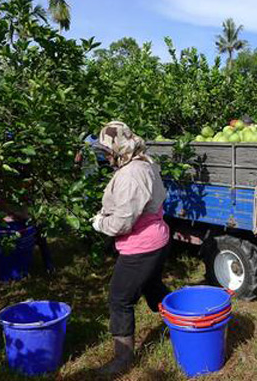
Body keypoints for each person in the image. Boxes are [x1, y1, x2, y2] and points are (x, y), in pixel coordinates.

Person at [90, 121, 171, 375]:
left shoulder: (130, 175)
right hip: (157, 240)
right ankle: (181, 324)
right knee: (152, 286)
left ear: (117, 148)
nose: (104, 155)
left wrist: (100, 222)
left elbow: (123, 222)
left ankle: (123, 359)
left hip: (142, 246)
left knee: (120, 298)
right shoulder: (146, 161)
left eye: (106, 150)